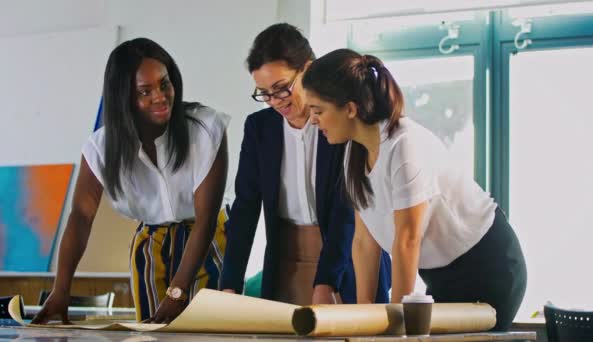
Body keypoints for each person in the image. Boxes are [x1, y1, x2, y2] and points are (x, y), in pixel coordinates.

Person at [302, 48, 527, 330]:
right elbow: (363, 242)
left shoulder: (403, 145)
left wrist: (396, 327)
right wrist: (363, 319)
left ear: (350, 108)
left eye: (318, 110)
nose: (312, 120)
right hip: (441, 276)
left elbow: (407, 242)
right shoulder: (353, 153)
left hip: (490, 266)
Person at [32, 38, 230, 323]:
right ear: (123, 98)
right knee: (149, 333)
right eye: (144, 91)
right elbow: (81, 216)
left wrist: (177, 293)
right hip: (150, 246)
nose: (160, 97)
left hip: (209, 241)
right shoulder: (102, 146)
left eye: (164, 84)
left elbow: (206, 219)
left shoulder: (206, 128)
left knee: (204, 331)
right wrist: (61, 289)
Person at [219, 24, 391, 305]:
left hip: (346, 256)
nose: (274, 101)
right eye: (263, 92)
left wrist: (327, 281)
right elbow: (245, 207)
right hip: (285, 262)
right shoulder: (260, 128)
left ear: (308, 69)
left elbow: (345, 210)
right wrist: (230, 284)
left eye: (281, 88)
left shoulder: (340, 119)